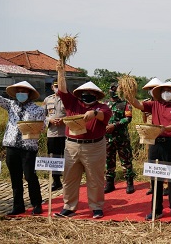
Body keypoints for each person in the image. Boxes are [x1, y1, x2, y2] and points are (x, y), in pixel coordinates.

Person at [54, 62, 112, 219]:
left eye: (91, 93)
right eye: (85, 92)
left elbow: (103, 115)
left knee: (95, 179)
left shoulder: (103, 107)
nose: (88, 95)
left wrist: (94, 113)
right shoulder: (72, 102)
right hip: (71, 146)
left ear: (97, 95)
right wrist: (60, 73)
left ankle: (96, 207)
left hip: (94, 147)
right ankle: (69, 206)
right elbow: (62, 89)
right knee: (69, 178)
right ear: (79, 94)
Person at [126, 81, 171, 221]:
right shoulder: (154, 104)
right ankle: (156, 209)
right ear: (159, 93)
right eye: (164, 90)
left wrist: (165, 128)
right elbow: (138, 105)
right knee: (155, 176)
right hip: (155, 143)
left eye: (170, 91)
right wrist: (129, 94)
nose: (166, 93)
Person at [0, 81, 44, 216]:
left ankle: (37, 203)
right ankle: (18, 206)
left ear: (29, 94)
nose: (21, 93)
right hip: (11, 146)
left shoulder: (38, 109)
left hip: (28, 148)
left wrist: (31, 127)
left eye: (24, 91)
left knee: (30, 176)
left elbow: (42, 126)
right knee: (15, 178)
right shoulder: (11, 105)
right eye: (19, 91)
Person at [104, 83, 135, 194]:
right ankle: (109, 183)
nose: (114, 91)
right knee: (108, 160)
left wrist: (115, 125)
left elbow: (128, 118)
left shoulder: (125, 103)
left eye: (116, 89)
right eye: (112, 89)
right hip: (108, 138)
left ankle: (129, 183)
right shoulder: (105, 104)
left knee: (126, 160)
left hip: (121, 138)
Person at [141, 77, 169, 196]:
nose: (152, 91)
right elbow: (144, 119)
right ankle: (153, 185)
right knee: (151, 160)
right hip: (149, 134)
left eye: (155, 89)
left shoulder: (165, 103)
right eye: (151, 89)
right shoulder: (146, 103)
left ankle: (166, 185)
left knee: (164, 159)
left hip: (163, 133)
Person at [42, 81, 67, 191]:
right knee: (54, 157)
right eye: (55, 86)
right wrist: (50, 120)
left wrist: (63, 120)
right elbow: (41, 115)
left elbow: (73, 114)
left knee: (68, 157)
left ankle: (68, 180)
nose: (57, 88)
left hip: (66, 132)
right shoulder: (47, 100)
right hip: (52, 133)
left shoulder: (67, 99)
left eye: (59, 86)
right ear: (52, 87)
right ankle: (56, 181)